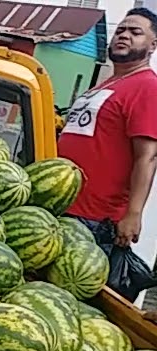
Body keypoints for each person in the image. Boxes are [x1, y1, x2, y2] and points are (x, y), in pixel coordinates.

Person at [57, 8, 157, 253]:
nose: (124, 35)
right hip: (62, 202)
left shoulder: (147, 87)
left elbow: (148, 156)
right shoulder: (105, 85)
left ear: (153, 45)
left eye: (135, 32)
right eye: (120, 30)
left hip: (94, 218)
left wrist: (133, 214)